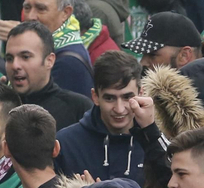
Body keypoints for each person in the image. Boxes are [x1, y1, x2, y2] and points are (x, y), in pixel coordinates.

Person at [58, 51, 160, 180]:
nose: (119, 109)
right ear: (95, 97)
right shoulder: (66, 144)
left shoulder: (155, 142)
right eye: (110, 98)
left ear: (141, 93)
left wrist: (151, 132)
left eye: (127, 97)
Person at [1, 21, 94, 130]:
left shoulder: (78, 109)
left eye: (25, 57)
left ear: (49, 61)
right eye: (9, 59)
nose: (15, 65)